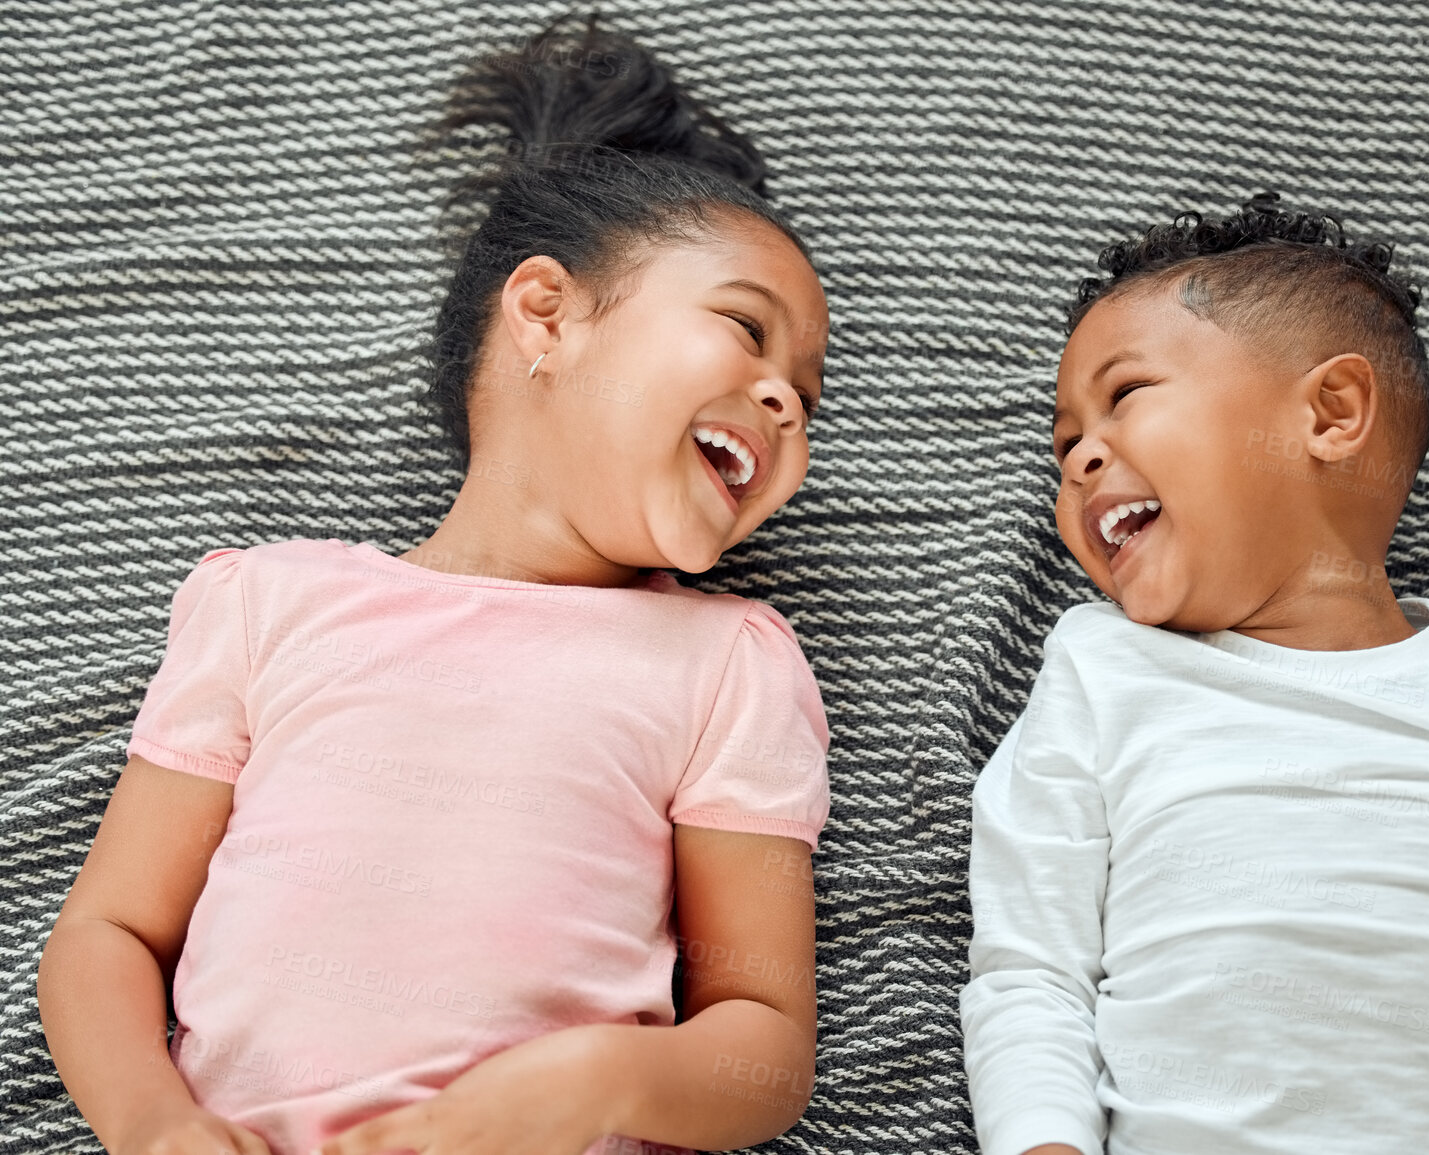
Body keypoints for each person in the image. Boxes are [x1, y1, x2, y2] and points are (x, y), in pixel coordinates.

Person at [36, 13, 832, 1155]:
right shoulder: (271, 605)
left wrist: (590, 1083)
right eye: (746, 332)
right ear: (545, 314)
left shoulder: (728, 664)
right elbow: (107, 930)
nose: (784, 399)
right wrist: (155, 1124)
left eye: (808, 390)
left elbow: (762, 1048)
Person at [958, 193, 1429, 1155]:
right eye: (1063, 446)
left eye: (1124, 395)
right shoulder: (1104, 667)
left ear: (1332, 414)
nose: (1081, 456)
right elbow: (1030, 971)